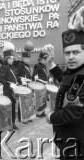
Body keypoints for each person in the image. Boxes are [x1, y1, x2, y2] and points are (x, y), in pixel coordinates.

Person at [45, 29, 84, 159]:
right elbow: (67, 82)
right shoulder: (76, 71)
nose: (71, 56)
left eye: (76, 52)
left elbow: (73, 112)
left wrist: (51, 117)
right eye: (67, 53)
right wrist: (51, 64)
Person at [0, 47, 21, 130]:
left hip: (14, 90)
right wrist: (9, 84)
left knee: (13, 107)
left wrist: (20, 81)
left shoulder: (13, 67)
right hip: (7, 91)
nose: (12, 60)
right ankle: (8, 124)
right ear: (6, 59)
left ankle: (13, 123)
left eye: (13, 58)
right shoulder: (3, 67)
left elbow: (16, 77)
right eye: (10, 58)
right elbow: (1, 79)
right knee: (8, 108)